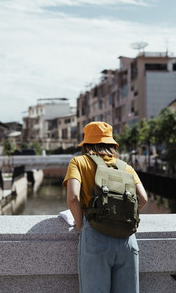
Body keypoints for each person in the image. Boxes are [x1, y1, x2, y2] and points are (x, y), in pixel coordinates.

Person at [63, 121, 148, 293]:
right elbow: (144, 198)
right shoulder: (125, 167)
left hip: (95, 235)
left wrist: (82, 228)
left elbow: (73, 198)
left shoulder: (78, 162)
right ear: (111, 143)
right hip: (127, 239)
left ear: (86, 143)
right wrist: (122, 218)